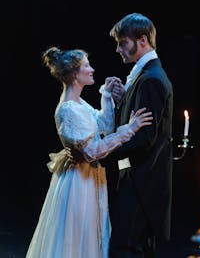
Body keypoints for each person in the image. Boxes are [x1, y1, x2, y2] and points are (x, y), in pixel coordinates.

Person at [25, 46, 153, 258]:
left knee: (89, 235)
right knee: (77, 236)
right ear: (75, 73)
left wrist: (106, 95)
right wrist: (129, 129)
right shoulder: (68, 109)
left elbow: (102, 125)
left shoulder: (78, 103)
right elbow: (93, 151)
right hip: (78, 182)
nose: (92, 69)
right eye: (87, 66)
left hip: (88, 178)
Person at [101, 12, 174, 257]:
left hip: (141, 184)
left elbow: (144, 139)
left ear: (142, 41)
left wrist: (102, 151)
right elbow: (137, 124)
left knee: (127, 249)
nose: (118, 49)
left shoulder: (151, 79)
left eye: (123, 43)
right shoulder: (144, 76)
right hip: (136, 179)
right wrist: (123, 102)